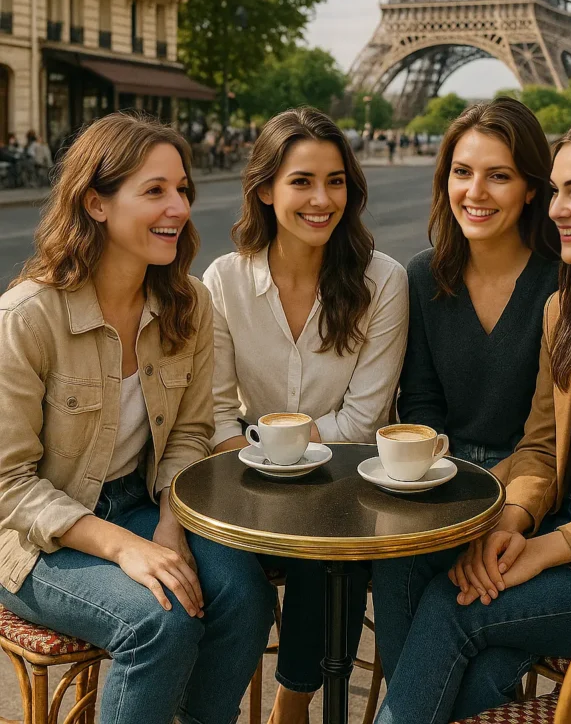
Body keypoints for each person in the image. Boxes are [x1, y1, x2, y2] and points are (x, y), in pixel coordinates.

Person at [374, 111, 571, 723]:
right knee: (484, 654)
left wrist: (542, 551)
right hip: (567, 523)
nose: (558, 210)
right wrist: (512, 523)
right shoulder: (567, 307)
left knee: (454, 604)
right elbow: (542, 447)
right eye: (558, 192)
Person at [0, 113, 275, 724]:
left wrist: (171, 526)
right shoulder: (26, 317)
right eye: (155, 191)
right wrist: (124, 546)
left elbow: (187, 434)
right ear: (95, 203)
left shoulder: (188, 303)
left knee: (245, 598)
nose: (178, 206)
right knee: (160, 621)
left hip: (142, 500)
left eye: (182, 189)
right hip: (30, 540)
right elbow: (8, 487)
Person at [203, 106, 409, 724]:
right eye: (302, 181)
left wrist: (276, 446)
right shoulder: (224, 280)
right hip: (245, 479)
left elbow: (364, 424)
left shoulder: (382, 281)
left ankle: (290, 704)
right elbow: (213, 414)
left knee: (331, 542)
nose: (322, 199)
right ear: (264, 189)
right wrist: (269, 456)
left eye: (336, 181)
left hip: (338, 480)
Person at [372, 96, 560, 684]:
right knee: (398, 573)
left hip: (531, 494)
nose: (475, 192)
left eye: (498, 176)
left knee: (478, 653)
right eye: (462, 172)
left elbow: (552, 432)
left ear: (532, 188)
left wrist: (500, 506)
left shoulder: (565, 281)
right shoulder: (425, 275)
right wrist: (441, 479)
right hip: (444, 481)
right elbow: (421, 401)